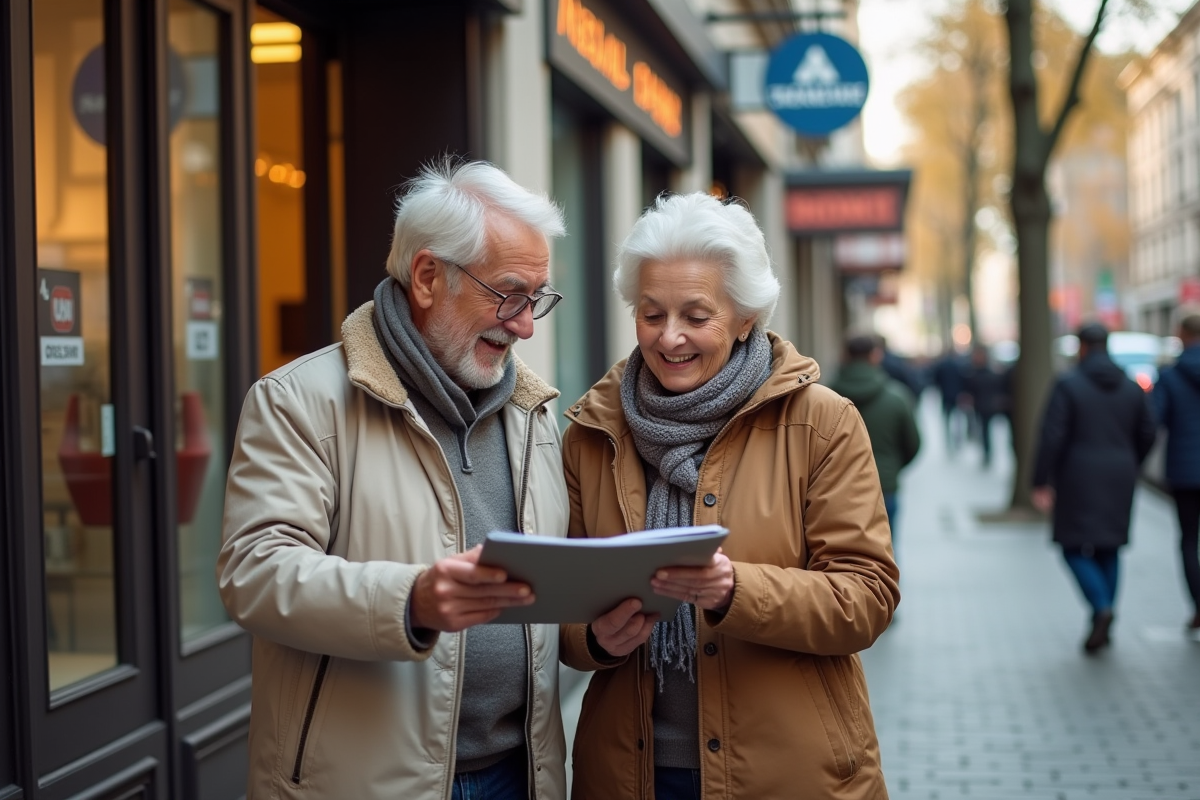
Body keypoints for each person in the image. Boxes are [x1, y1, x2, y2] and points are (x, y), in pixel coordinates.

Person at [218, 159, 571, 799]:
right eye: (509, 293)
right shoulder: (297, 401)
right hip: (364, 783)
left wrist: (596, 632)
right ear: (429, 276)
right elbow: (255, 572)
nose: (523, 324)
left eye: (536, 300)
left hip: (521, 775)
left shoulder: (534, 413)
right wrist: (411, 600)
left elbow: (540, 598)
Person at [559, 193, 900, 799]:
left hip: (788, 774)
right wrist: (589, 636)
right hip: (628, 775)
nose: (670, 339)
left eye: (696, 315)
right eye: (650, 313)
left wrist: (734, 590)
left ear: (746, 316)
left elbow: (867, 598)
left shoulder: (822, 421)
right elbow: (556, 599)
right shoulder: (593, 431)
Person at [1032, 322, 1157, 654]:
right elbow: (1148, 432)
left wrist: (1040, 479)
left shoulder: (1068, 385)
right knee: (1110, 547)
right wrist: (1131, 461)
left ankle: (1101, 607)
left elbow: (1052, 435)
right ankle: (1105, 613)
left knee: (1072, 546)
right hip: (1120, 474)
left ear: (1082, 347)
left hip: (1077, 475)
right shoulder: (1131, 387)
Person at [829, 334, 922, 544]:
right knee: (887, 552)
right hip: (884, 485)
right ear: (876, 356)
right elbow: (913, 444)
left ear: (844, 356)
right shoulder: (897, 397)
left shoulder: (826, 395)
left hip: (838, 489)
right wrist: (892, 467)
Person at [1152, 313, 1200, 633]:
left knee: (1188, 541)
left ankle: (1198, 606)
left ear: (1182, 334)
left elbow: (1153, 420)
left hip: (1185, 471)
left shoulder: (1170, 376)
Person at [962, 344, 1006, 467]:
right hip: (980, 406)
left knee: (986, 430)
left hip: (988, 406)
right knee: (984, 430)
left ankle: (988, 453)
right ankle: (986, 453)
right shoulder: (972, 373)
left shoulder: (991, 372)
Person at [932, 349, 968, 453]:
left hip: (946, 396)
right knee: (957, 420)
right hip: (957, 396)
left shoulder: (942, 365)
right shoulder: (959, 365)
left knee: (947, 420)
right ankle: (957, 439)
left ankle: (949, 441)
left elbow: (936, 380)